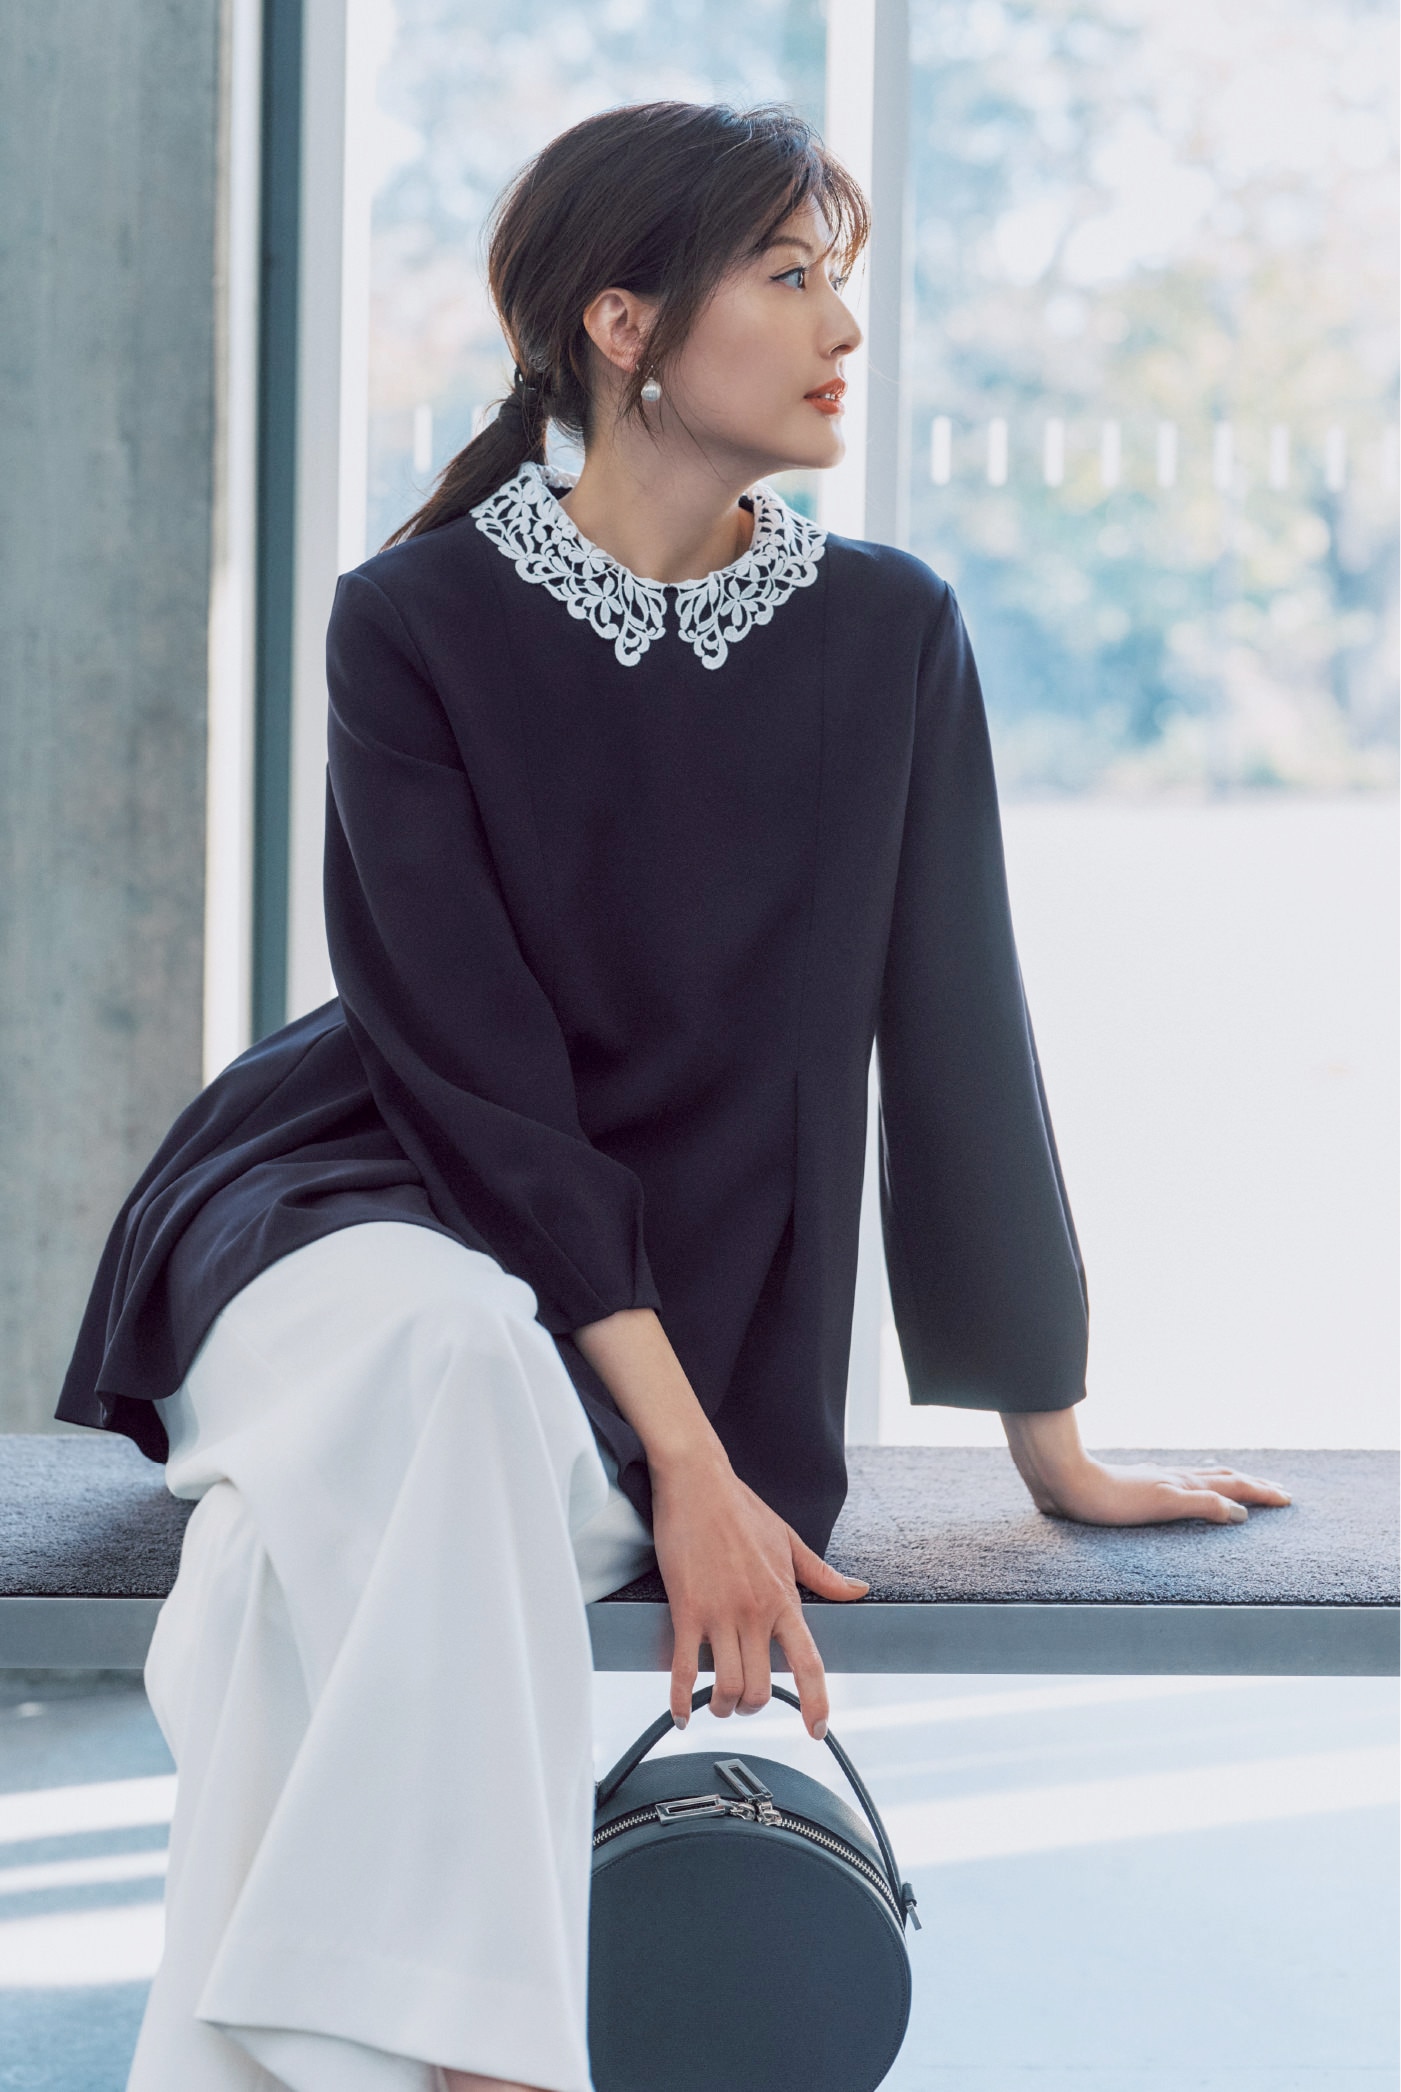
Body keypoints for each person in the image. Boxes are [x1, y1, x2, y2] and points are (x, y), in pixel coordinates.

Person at [58, 99, 1289, 2092]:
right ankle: (497, 2066)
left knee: (314, 1554)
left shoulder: (884, 632)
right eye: (788, 278)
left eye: (839, 282)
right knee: (451, 1349)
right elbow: (475, 1080)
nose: (841, 329)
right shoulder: (412, 620)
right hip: (348, 1209)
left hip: (641, 1313)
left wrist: (1048, 1441)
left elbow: (955, 1030)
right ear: (621, 322)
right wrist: (692, 1471)